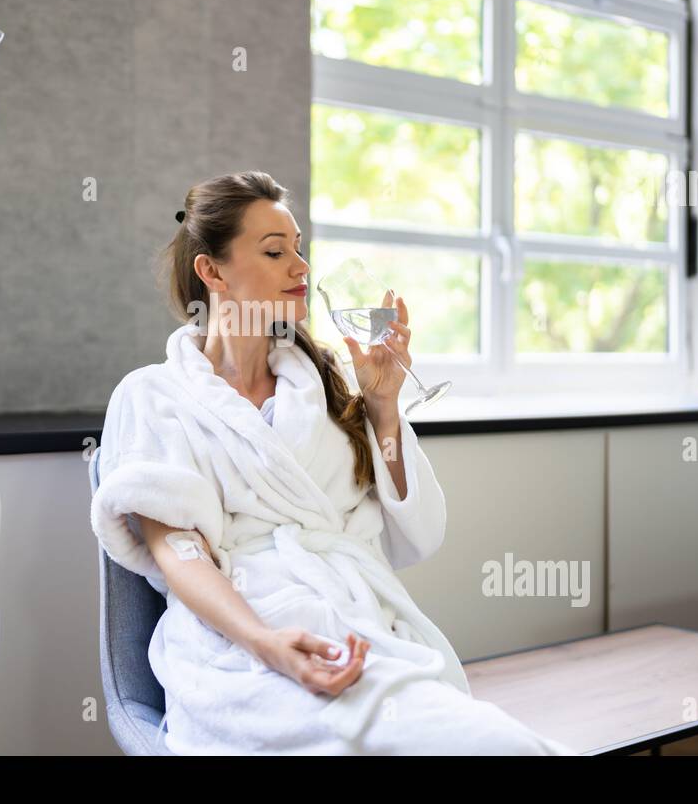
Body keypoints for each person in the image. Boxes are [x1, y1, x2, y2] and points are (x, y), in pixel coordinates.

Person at [91, 170, 577, 755]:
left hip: (357, 628)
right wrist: (267, 642)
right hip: (236, 648)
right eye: (274, 251)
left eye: (299, 249)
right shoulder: (153, 397)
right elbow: (180, 553)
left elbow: (413, 537)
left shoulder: (322, 388)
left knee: (495, 744)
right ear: (212, 271)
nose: (300, 267)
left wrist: (383, 406)